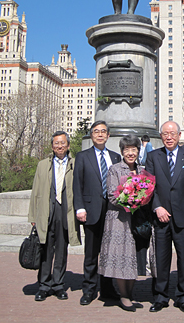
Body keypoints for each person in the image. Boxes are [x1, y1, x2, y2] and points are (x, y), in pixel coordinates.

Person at [145, 121, 184, 313]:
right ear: (161, 136)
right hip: (161, 217)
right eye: (165, 134)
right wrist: (157, 207)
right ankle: (160, 297)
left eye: (172, 133)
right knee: (161, 260)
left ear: (179, 135)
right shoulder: (153, 156)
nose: (169, 137)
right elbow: (148, 186)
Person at [98, 134, 155, 312]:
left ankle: (130, 293)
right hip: (119, 220)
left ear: (139, 151)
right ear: (122, 151)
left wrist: (143, 199)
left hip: (137, 221)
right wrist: (131, 201)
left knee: (132, 258)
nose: (130, 153)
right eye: (127, 149)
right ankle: (124, 296)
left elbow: (148, 191)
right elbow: (112, 196)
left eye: (134, 149)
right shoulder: (115, 169)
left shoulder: (142, 170)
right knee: (121, 258)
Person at [28, 131, 80, 302]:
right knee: (45, 249)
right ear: (52, 146)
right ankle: (43, 285)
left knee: (61, 250)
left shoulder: (74, 164)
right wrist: (33, 216)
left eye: (63, 143)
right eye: (56, 143)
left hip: (65, 210)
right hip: (46, 211)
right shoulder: (43, 165)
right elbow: (35, 191)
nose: (60, 146)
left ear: (68, 146)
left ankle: (58, 285)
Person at [73, 120, 121, 305]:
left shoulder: (116, 157)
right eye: (96, 131)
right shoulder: (82, 157)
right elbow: (77, 185)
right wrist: (80, 208)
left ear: (108, 135)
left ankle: (108, 289)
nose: (100, 134)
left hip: (112, 213)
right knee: (91, 254)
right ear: (91, 135)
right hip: (91, 211)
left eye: (103, 131)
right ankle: (89, 289)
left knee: (109, 253)